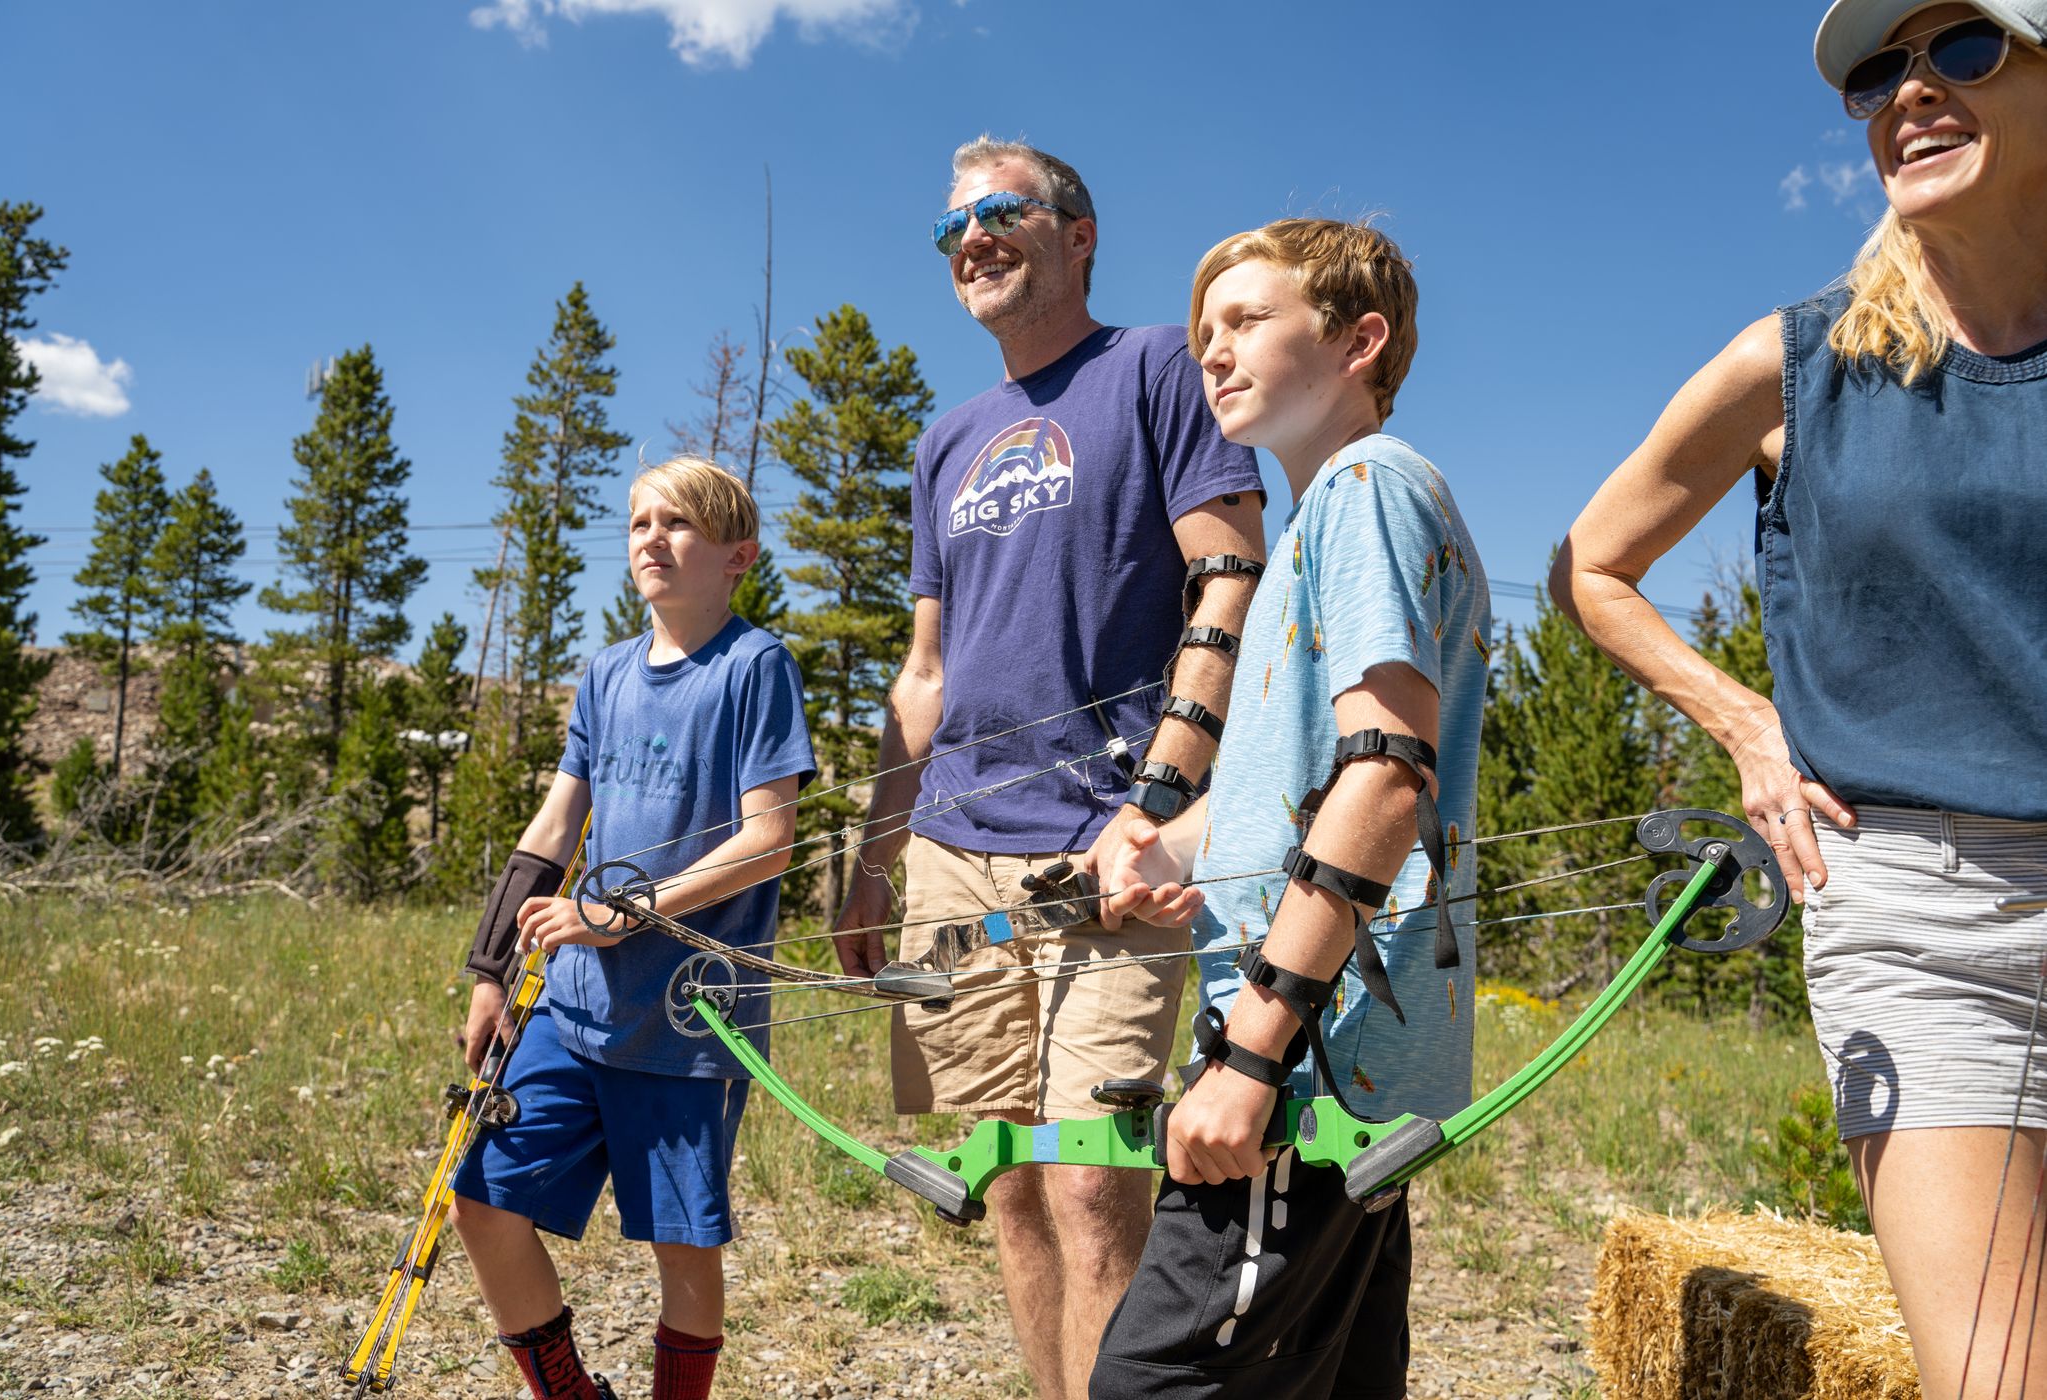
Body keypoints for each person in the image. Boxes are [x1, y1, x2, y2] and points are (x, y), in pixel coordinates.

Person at [1552, 2, 2047, 1391]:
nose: (1910, 91)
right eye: (1880, 73)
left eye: (1963, 50)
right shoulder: (1801, 362)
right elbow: (1595, 562)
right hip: (1918, 924)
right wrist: (1749, 727)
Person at [831, 137, 1266, 1399]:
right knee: (1010, 1183)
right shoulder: (944, 438)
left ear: (1078, 234)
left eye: (1002, 210)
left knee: (1091, 1181)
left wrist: (1162, 804)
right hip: (954, 860)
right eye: (954, 225)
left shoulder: (1155, 370)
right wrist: (872, 863)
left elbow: (1227, 579)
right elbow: (925, 673)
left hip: (1107, 848)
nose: (973, 237)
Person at [1089, 218, 1489, 1400]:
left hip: (1311, 1060)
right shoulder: (1321, 522)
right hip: (1332, 1049)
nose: (1213, 350)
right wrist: (1161, 839)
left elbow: (1384, 772)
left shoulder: (1368, 484)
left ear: (1361, 340)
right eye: (1205, 331)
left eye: (1249, 321)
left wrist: (1250, 1053)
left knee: (1151, 1383)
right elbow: (1292, 785)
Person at [449, 456, 815, 1400]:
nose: (652, 537)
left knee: (681, 1250)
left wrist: (628, 913)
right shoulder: (606, 673)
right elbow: (553, 829)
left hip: (688, 1024)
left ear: (739, 556)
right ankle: (569, 1394)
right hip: (570, 1010)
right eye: (639, 522)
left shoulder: (754, 666)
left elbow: (770, 839)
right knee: (484, 1201)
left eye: (679, 523)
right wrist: (491, 973)